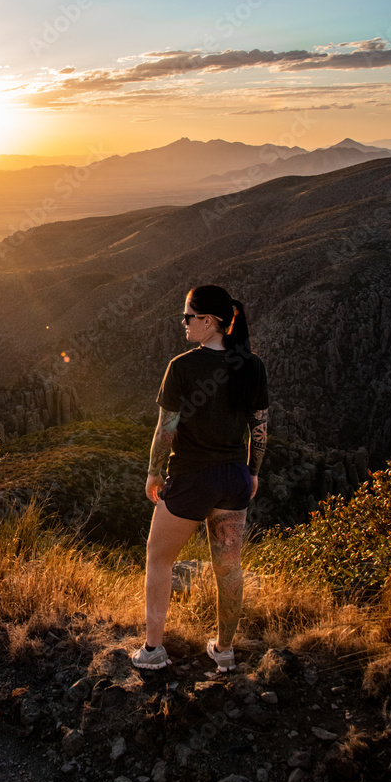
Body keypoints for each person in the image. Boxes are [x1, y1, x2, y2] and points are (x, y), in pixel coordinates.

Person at [131, 284, 268, 673]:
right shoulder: (252, 366)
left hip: (193, 478)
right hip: (234, 478)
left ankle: (154, 651)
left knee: (159, 559)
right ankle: (224, 651)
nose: (184, 323)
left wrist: (153, 473)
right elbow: (260, 431)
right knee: (228, 567)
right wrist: (252, 472)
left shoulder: (183, 366)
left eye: (189, 316)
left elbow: (166, 430)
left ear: (210, 322)